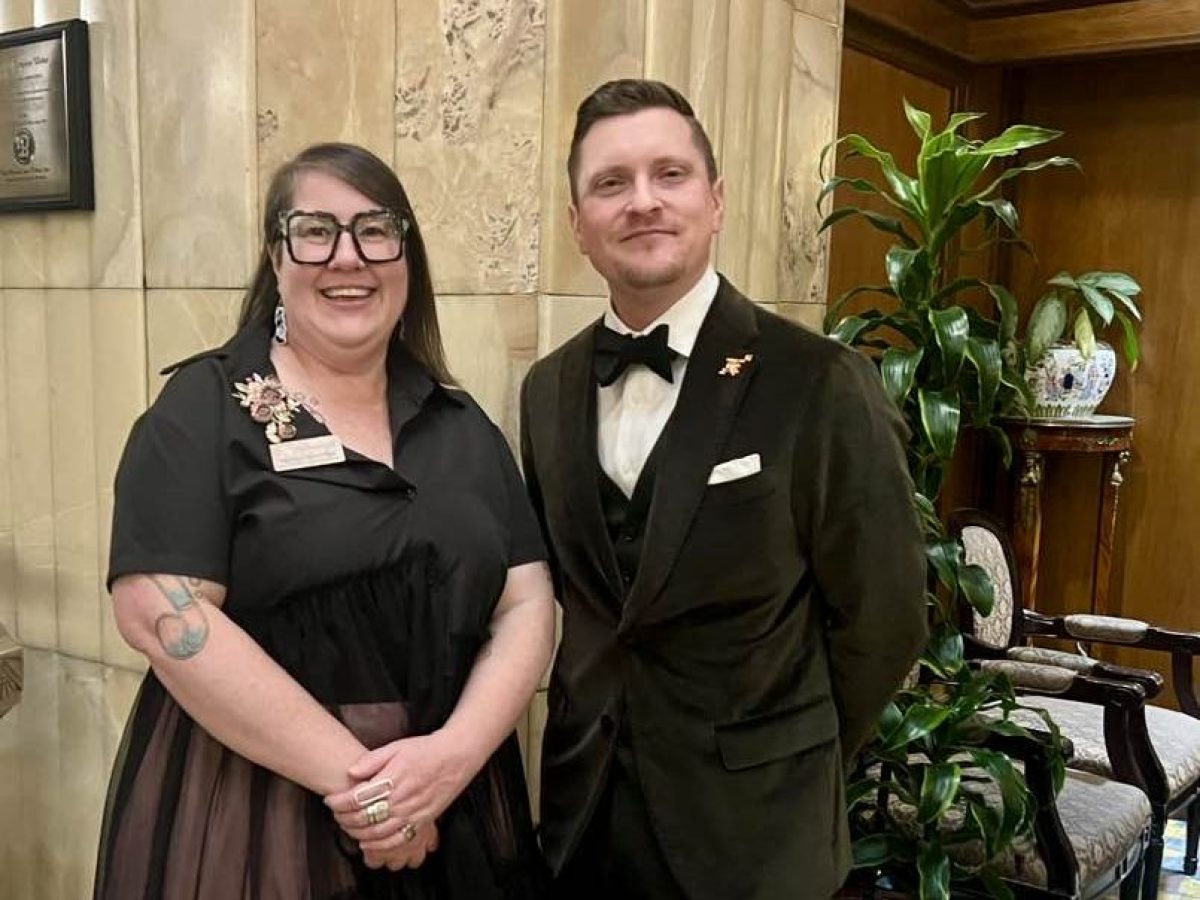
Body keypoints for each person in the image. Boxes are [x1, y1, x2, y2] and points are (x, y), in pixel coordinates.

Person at [95, 142, 555, 899]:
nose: (349, 257)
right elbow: (156, 610)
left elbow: (528, 600)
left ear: (407, 257)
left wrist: (451, 758)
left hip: (454, 805)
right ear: (276, 257)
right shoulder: (203, 409)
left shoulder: (460, 422)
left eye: (375, 230)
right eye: (315, 231)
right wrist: (375, 798)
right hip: (260, 828)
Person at [519, 80, 927, 900]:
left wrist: (782, 754)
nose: (643, 201)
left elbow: (885, 621)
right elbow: (574, 596)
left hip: (758, 836)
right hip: (584, 821)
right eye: (610, 182)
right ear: (577, 225)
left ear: (715, 201)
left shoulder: (820, 380)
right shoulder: (546, 389)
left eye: (669, 174)